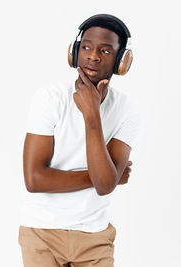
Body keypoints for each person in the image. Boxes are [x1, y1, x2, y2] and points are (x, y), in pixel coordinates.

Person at [18, 14, 141, 267]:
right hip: (41, 233)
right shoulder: (49, 99)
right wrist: (105, 175)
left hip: (94, 237)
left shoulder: (126, 109)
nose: (93, 56)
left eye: (105, 51)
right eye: (85, 47)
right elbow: (34, 179)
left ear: (121, 61)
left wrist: (92, 115)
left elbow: (105, 186)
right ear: (74, 52)